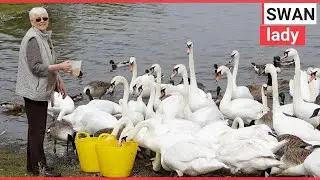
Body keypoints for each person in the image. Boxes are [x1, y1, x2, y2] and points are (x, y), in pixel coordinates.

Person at [15, 7, 72, 177]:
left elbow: (49, 62)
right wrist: (60, 67)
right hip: (34, 90)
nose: (42, 21)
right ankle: (41, 168)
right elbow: (37, 68)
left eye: (44, 18)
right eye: (37, 19)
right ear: (31, 21)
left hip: (40, 88)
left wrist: (58, 80)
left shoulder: (44, 36)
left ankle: (32, 167)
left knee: (35, 129)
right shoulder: (33, 39)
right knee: (38, 130)